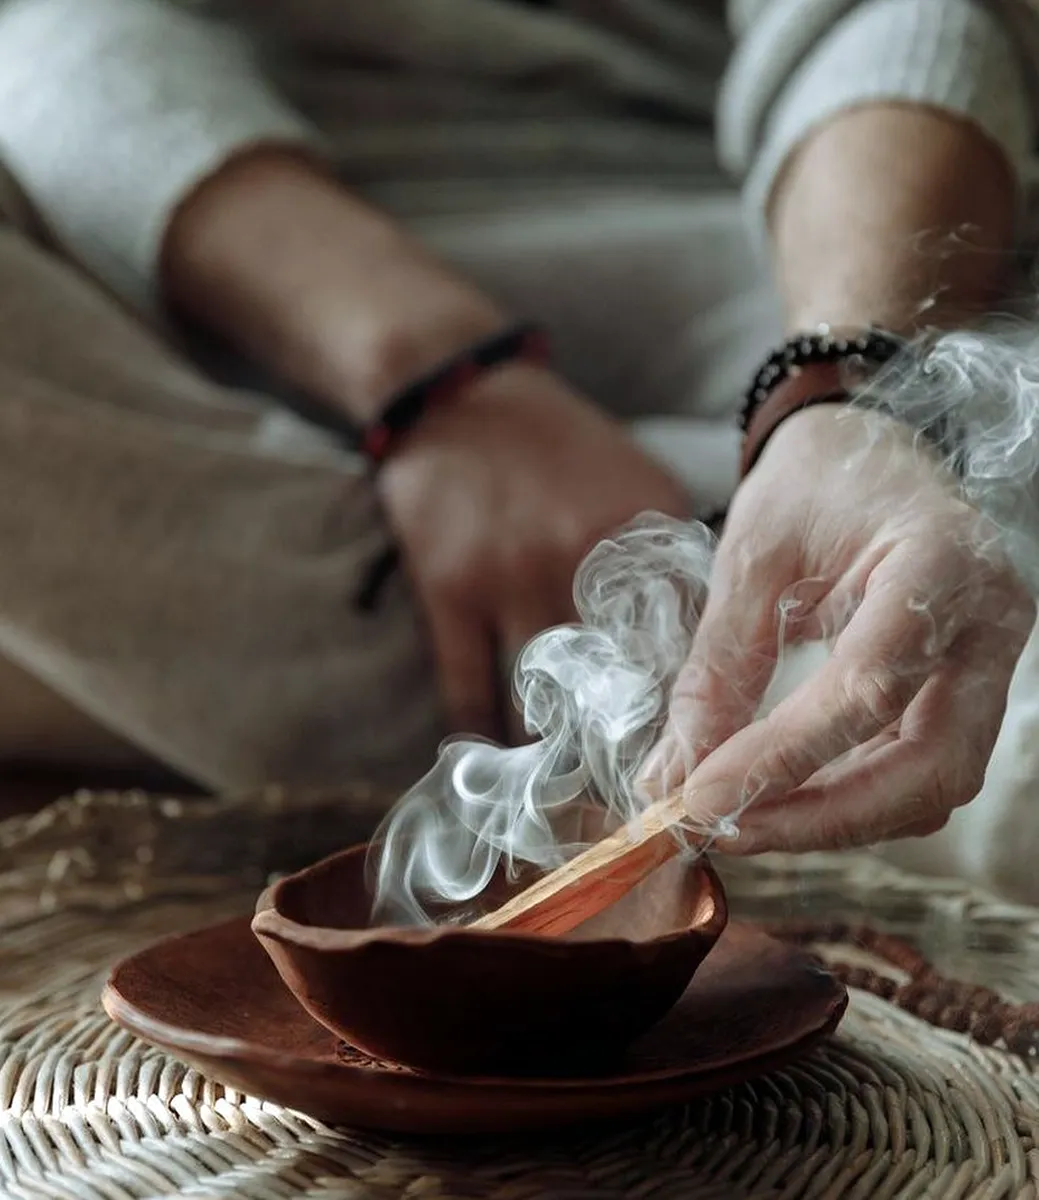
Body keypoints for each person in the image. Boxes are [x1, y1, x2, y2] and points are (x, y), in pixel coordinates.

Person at [0, 0, 1035, 883]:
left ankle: (234, 684)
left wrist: (841, 395)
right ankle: (793, 716)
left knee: (988, 398)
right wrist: (447, 379)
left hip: (778, 224)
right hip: (184, 260)